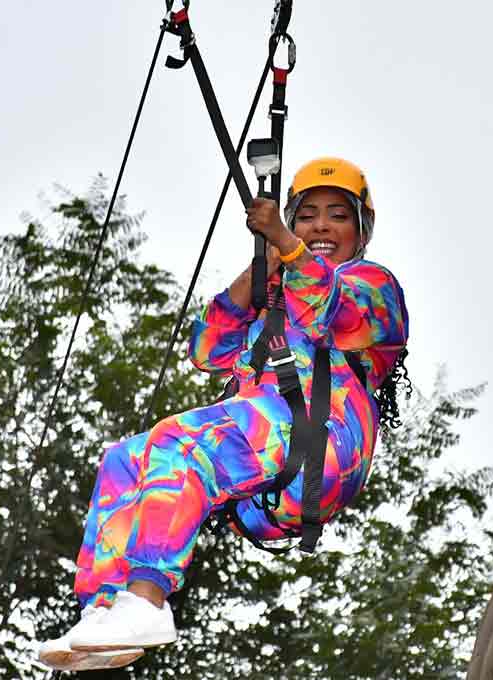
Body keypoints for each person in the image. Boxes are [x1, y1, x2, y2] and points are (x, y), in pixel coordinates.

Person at [37, 157, 410, 672]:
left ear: (361, 231)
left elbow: (327, 311)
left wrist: (286, 243)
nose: (321, 226)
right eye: (307, 216)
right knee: (125, 458)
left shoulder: (373, 284)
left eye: (338, 216)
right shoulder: (273, 298)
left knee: (180, 441)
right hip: (264, 473)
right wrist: (263, 267)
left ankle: (146, 598)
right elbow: (208, 348)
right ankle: (104, 613)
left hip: (321, 439)